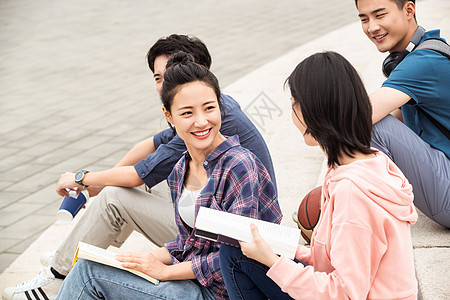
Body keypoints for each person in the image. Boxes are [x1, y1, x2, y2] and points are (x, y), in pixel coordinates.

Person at [2, 35, 276, 300]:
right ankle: (71, 263)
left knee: (89, 270)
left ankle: (58, 276)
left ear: (219, 102)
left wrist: (165, 271)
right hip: (199, 270)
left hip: (224, 290)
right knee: (94, 263)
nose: (201, 121)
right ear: (168, 114)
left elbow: (237, 257)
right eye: (159, 78)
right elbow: (188, 242)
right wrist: (140, 259)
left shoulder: (237, 163)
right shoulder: (184, 165)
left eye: (209, 108)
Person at [219, 51, 418, 299]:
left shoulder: (352, 192)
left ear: (316, 110)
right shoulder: (370, 163)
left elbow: (344, 293)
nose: (293, 115)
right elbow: (336, 257)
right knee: (237, 247)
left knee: (234, 256)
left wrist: (272, 261)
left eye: (294, 104)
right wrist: (288, 250)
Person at [356, 0, 450, 227]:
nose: (372, 27)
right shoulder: (429, 50)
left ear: (409, 10)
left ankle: (359, 216)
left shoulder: (422, 63)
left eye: (380, 15)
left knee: (372, 126)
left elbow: (354, 119)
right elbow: (396, 116)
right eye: (364, 18)